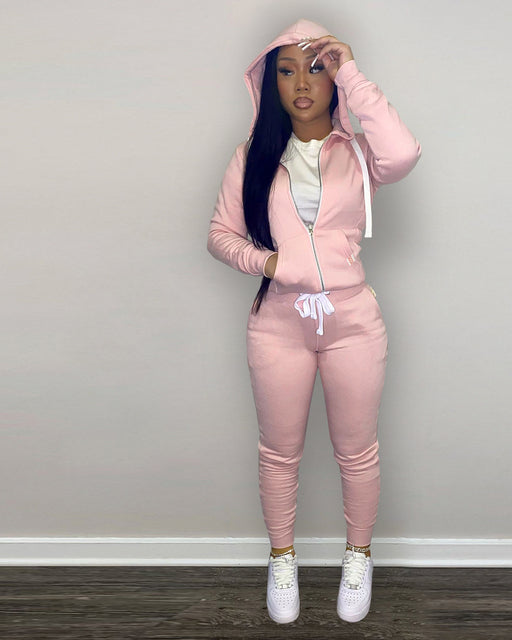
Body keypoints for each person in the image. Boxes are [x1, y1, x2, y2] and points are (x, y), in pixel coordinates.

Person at [207, 18, 421, 624]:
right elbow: (220, 235)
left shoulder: (359, 154)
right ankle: (282, 559)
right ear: (270, 82)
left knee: (358, 451)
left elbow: (404, 153)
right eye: (287, 70)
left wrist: (352, 71)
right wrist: (269, 262)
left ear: (334, 79)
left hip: (352, 322)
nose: (302, 82)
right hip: (279, 323)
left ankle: (359, 557)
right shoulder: (252, 157)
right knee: (279, 451)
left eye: (317, 67)